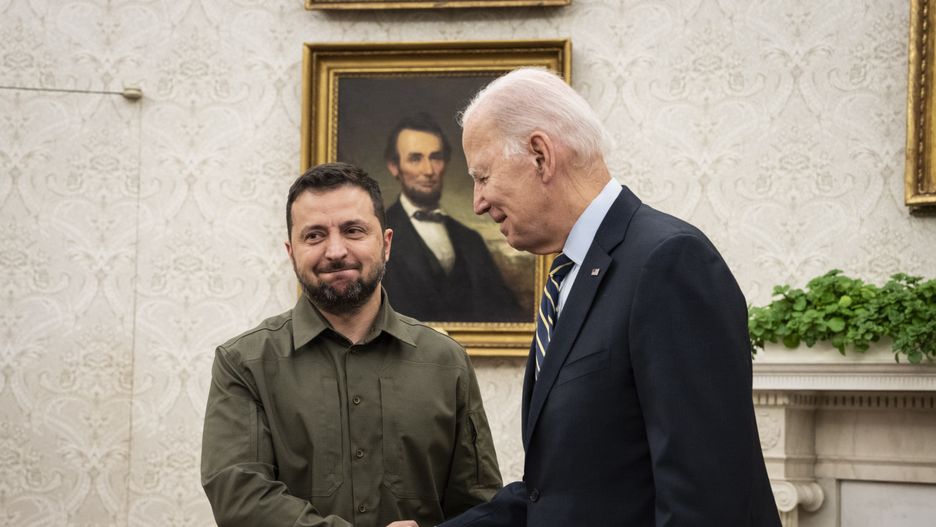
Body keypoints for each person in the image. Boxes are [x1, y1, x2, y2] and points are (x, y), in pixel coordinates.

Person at [434, 69, 782, 526]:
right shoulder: (570, 277)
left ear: (540, 155)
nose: (476, 201)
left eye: (482, 176)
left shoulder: (668, 262)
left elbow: (708, 497)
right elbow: (558, 490)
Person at [200, 162, 503, 527]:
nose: (335, 250)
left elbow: (479, 507)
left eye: (353, 230)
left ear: (386, 244)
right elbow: (240, 500)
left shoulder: (446, 362)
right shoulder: (244, 363)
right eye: (314, 236)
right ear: (291, 251)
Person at [382, 113, 526, 323]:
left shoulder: (470, 240)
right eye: (415, 159)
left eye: (436, 157)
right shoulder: (376, 235)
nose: (429, 170)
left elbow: (507, 313)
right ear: (394, 167)